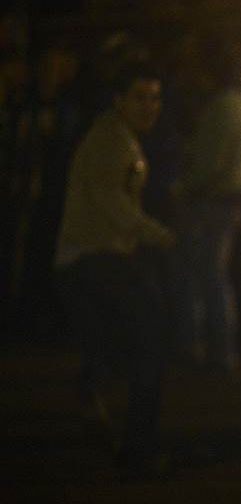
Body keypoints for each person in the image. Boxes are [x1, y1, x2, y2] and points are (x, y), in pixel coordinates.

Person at [54, 60, 175, 479]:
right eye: (140, 97)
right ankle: (137, 449)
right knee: (149, 345)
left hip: (91, 260)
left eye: (155, 98)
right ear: (118, 100)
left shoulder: (118, 137)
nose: (150, 107)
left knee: (115, 348)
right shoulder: (113, 142)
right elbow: (113, 206)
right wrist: (159, 234)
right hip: (96, 259)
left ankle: (98, 411)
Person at [172, 37, 241, 372]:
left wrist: (185, 187)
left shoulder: (224, 105)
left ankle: (204, 350)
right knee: (213, 275)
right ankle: (217, 351)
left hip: (211, 200)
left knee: (202, 275)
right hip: (228, 199)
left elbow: (213, 162)